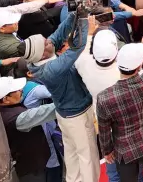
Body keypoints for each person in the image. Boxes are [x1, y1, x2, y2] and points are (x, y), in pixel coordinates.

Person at [28, 14, 100, 182]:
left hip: (66, 115)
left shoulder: (39, 59)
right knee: (87, 156)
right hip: (77, 116)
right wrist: (84, 25)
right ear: (43, 53)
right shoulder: (52, 69)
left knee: (73, 155)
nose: (50, 41)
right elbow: (78, 47)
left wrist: (75, 14)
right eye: (46, 43)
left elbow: (59, 34)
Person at [97, 38, 143, 182]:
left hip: (124, 149)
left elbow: (104, 130)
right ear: (140, 66)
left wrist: (107, 151)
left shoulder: (105, 98)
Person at [0, 76, 58, 182]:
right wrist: (68, 102)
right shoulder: (15, 119)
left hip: (33, 164)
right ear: (6, 99)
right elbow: (44, 112)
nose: (21, 90)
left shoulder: (3, 110)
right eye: (16, 90)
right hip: (31, 169)